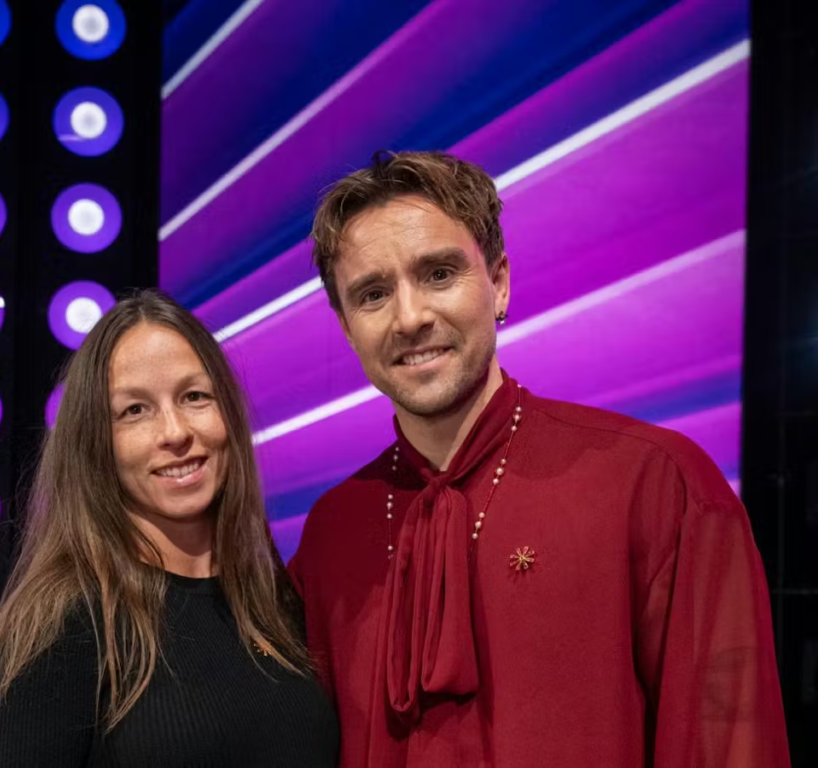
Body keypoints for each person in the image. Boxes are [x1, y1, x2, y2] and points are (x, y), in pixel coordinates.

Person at [288, 150, 790, 767]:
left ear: (498, 282)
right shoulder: (332, 534)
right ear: (346, 327)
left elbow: (727, 744)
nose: (410, 317)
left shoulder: (656, 482)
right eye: (373, 294)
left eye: (439, 274)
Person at [0, 289, 339, 767]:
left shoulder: (272, 597)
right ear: (96, 443)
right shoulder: (61, 625)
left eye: (194, 396)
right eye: (134, 410)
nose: (175, 432)